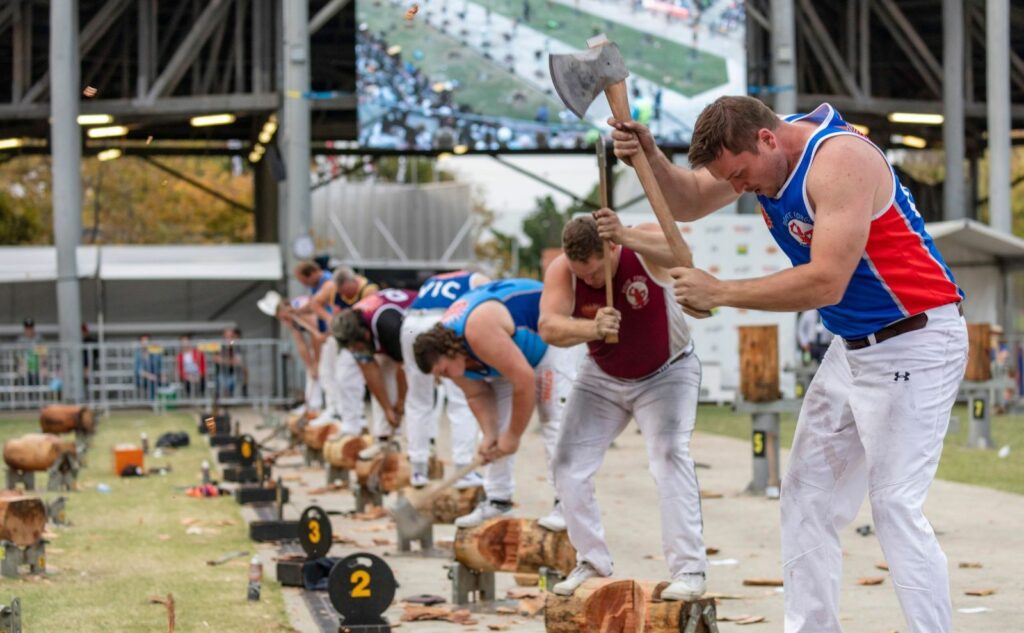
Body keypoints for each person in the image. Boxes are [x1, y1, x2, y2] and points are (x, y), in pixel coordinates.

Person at [611, 96, 967, 633]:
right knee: (804, 496)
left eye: (740, 175)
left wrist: (723, 290)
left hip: (916, 339)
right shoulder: (757, 159)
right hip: (853, 346)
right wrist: (651, 156)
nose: (739, 188)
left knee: (893, 503)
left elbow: (828, 280)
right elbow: (683, 202)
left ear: (767, 140)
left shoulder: (839, 161)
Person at [538, 214, 707, 600]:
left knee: (668, 457)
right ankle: (591, 561)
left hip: (668, 371)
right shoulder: (564, 271)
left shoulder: (639, 242)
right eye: (585, 276)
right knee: (566, 463)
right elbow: (549, 326)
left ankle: (689, 570)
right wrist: (592, 328)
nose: (592, 281)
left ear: (612, 248)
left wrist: (626, 235)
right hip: (603, 376)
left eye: (598, 272)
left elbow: (682, 255)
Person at [412, 279, 574, 531]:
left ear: (451, 351)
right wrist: (491, 435)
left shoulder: (478, 331)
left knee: (553, 420)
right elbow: (477, 395)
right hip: (508, 353)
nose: (443, 377)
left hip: (547, 342)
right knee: (492, 434)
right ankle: (498, 501)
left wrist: (513, 436)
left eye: (443, 370)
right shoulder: (453, 360)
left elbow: (524, 382)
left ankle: (567, 504)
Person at [402, 270, 490, 488]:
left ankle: (418, 469)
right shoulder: (475, 278)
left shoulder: (433, 281)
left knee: (417, 399)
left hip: (411, 322)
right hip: (442, 320)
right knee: (461, 398)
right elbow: (490, 302)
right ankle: (462, 469)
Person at [331, 288, 417, 455]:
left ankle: (422, 444)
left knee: (417, 390)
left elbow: (404, 368)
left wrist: (400, 403)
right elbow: (370, 373)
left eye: (356, 347)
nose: (355, 350)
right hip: (389, 334)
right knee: (383, 377)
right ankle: (384, 438)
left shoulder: (387, 325)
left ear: (364, 335)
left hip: (412, 327)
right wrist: (388, 409)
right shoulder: (351, 330)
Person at [308, 267, 381, 435]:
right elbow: (315, 303)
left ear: (353, 282)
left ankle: (359, 418)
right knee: (340, 377)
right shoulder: (332, 289)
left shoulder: (369, 290)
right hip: (345, 339)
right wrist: (332, 320)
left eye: (347, 292)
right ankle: (346, 418)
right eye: (341, 293)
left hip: (363, 340)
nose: (344, 296)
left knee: (358, 379)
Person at [294, 262, 343, 425]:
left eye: (304, 281)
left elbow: (315, 303)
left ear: (312, 273)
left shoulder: (327, 281)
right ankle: (333, 408)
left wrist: (328, 323)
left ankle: (335, 410)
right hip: (328, 334)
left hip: (332, 333)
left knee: (330, 373)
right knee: (326, 372)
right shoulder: (318, 285)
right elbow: (313, 304)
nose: (304, 285)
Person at [213, 328, 246, 398]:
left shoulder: (237, 348)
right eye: (226, 337)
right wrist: (230, 361)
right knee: (219, 381)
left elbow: (236, 362)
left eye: (230, 337)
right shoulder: (219, 347)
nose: (228, 339)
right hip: (221, 374)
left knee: (236, 380)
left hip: (233, 374)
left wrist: (223, 360)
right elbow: (216, 359)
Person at [176, 334, 206, 399]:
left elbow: (202, 367)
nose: (184, 344)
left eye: (186, 342)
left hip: (197, 375)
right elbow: (180, 370)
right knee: (187, 383)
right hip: (187, 377)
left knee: (202, 381)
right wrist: (187, 376)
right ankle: (190, 400)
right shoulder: (179, 356)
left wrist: (199, 376)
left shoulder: (198, 353)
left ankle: (201, 399)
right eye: (182, 342)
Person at [134, 334, 162, 400]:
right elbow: (138, 370)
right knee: (151, 380)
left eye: (146, 340)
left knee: (163, 381)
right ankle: (152, 401)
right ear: (140, 343)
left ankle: (163, 402)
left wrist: (158, 350)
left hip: (154, 377)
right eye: (143, 341)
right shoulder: (137, 354)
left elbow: (158, 366)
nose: (145, 342)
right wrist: (148, 375)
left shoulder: (153, 353)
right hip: (141, 379)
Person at [16, 318, 42, 386]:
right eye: (27, 328)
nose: (29, 330)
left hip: (37, 369)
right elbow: (19, 356)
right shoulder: (20, 340)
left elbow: (43, 355)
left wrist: (42, 366)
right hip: (25, 368)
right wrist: (23, 364)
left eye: (30, 328)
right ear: (24, 329)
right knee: (22, 374)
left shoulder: (38, 339)